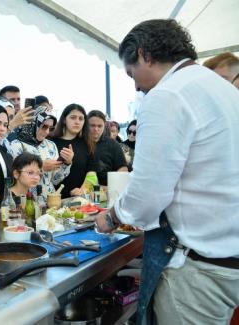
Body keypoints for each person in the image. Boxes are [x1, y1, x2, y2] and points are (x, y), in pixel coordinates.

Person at [95, 19, 239, 324]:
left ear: (145, 55)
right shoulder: (221, 89)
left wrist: (112, 216)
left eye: (131, 72)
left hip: (199, 270)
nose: (134, 84)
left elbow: (148, 194)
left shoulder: (167, 95)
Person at [7, 110, 73, 198]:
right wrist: (40, 167)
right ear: (34, 124)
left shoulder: (51, 145)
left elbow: (55, 180)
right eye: (44, 126)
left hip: (49, 200)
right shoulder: (16, 145)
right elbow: (13, 174)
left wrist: (67, 163)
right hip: (25, 200)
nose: (47, 132)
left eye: (51, 128)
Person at [51, 104, 97, 198]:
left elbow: (91, 172)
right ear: (64, 120)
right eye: (73, 118)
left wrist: (83, 190)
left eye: (81, 119)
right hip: (53, 200)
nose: (77, 122)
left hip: (79, 200)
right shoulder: (50, 142)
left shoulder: (87, 143)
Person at [87, 110, 127, 186]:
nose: (96, 129)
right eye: (92, 125)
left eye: (99, 126)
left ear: (104, 126)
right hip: (81, 191)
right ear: (86, 125)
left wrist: (112, 187)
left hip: (107, 189)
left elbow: (123, 168)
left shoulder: (113, 144)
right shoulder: (80, 143)